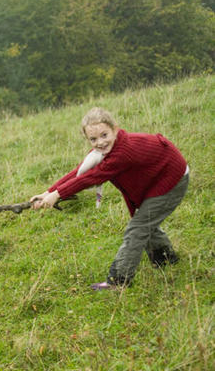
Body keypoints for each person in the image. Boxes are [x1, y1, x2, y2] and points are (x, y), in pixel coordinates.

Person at [30, 107, 189, 290]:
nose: (100, 142)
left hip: (172, 179)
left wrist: (57, 195)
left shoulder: (122, 153)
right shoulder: (103, 151)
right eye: (93, 139)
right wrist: (48, 192)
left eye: (104, 135)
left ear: (115, 129)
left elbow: (90, 178)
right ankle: (165, 258)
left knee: (137, 229)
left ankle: (119, 281)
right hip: (157, 179)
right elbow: (80, 172)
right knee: (144, 221)